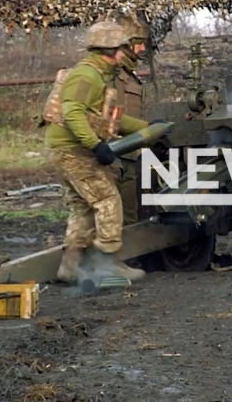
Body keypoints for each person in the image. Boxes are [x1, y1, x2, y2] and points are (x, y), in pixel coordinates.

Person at [42, 20, 150, 283]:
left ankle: (70, 266)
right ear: (112, 49)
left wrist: (147, 129)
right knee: (108, 201)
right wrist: (95, 145)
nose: (129, 53)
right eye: (124, 48)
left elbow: (112, 121)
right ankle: (108, 262)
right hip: (73, 151)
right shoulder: (86, 75)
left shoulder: (98, 75)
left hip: (68, 149)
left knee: (84, 207)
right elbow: (73, 113)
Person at [107, 12, 150, 226]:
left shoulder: (130, 76)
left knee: (129, 219)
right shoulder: (110, 74)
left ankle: (128, 260)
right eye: (138, 43)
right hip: (111, 154)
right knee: (108, 218)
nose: (142, 49)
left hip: (129, 155)